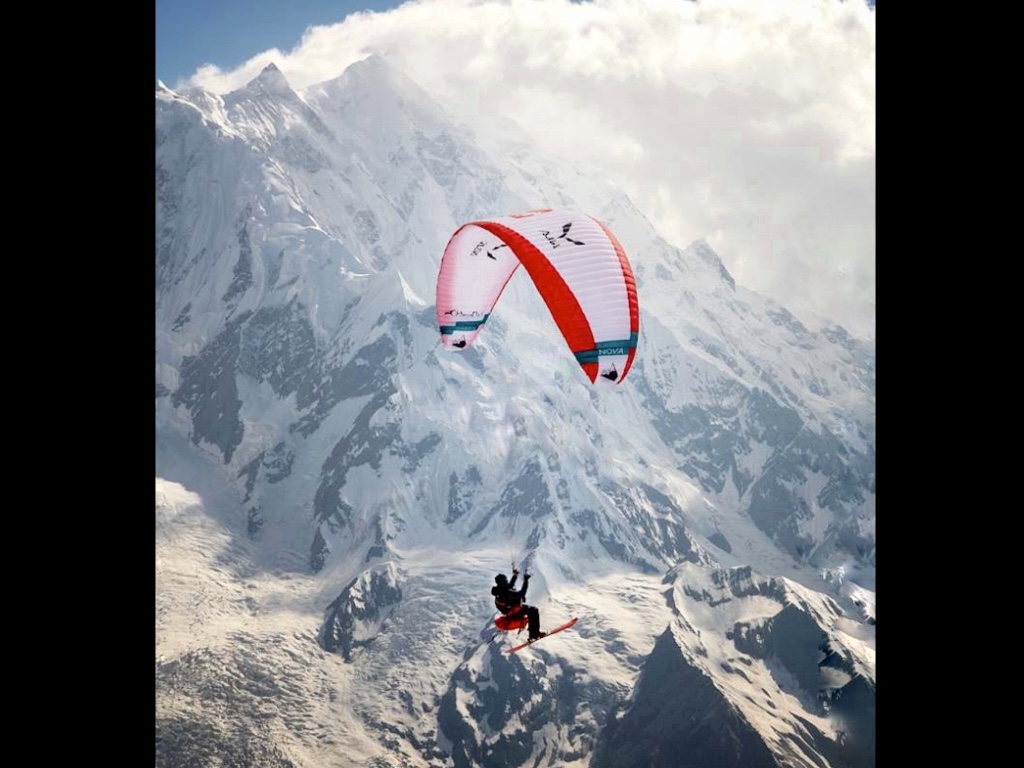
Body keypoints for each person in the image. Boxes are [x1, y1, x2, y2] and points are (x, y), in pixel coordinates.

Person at [491, 568, 545, 640]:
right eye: (505, 580)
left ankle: (533, 632)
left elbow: (509, 586)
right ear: (502, 582)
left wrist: (515, 576)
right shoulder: (506, 593)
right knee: (533, 611)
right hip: (514, 613)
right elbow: (522, 593)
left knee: (530, 610)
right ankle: (534, 635)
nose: (507, 581)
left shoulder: (499, 590)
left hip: (510, 610)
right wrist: (526, 580)